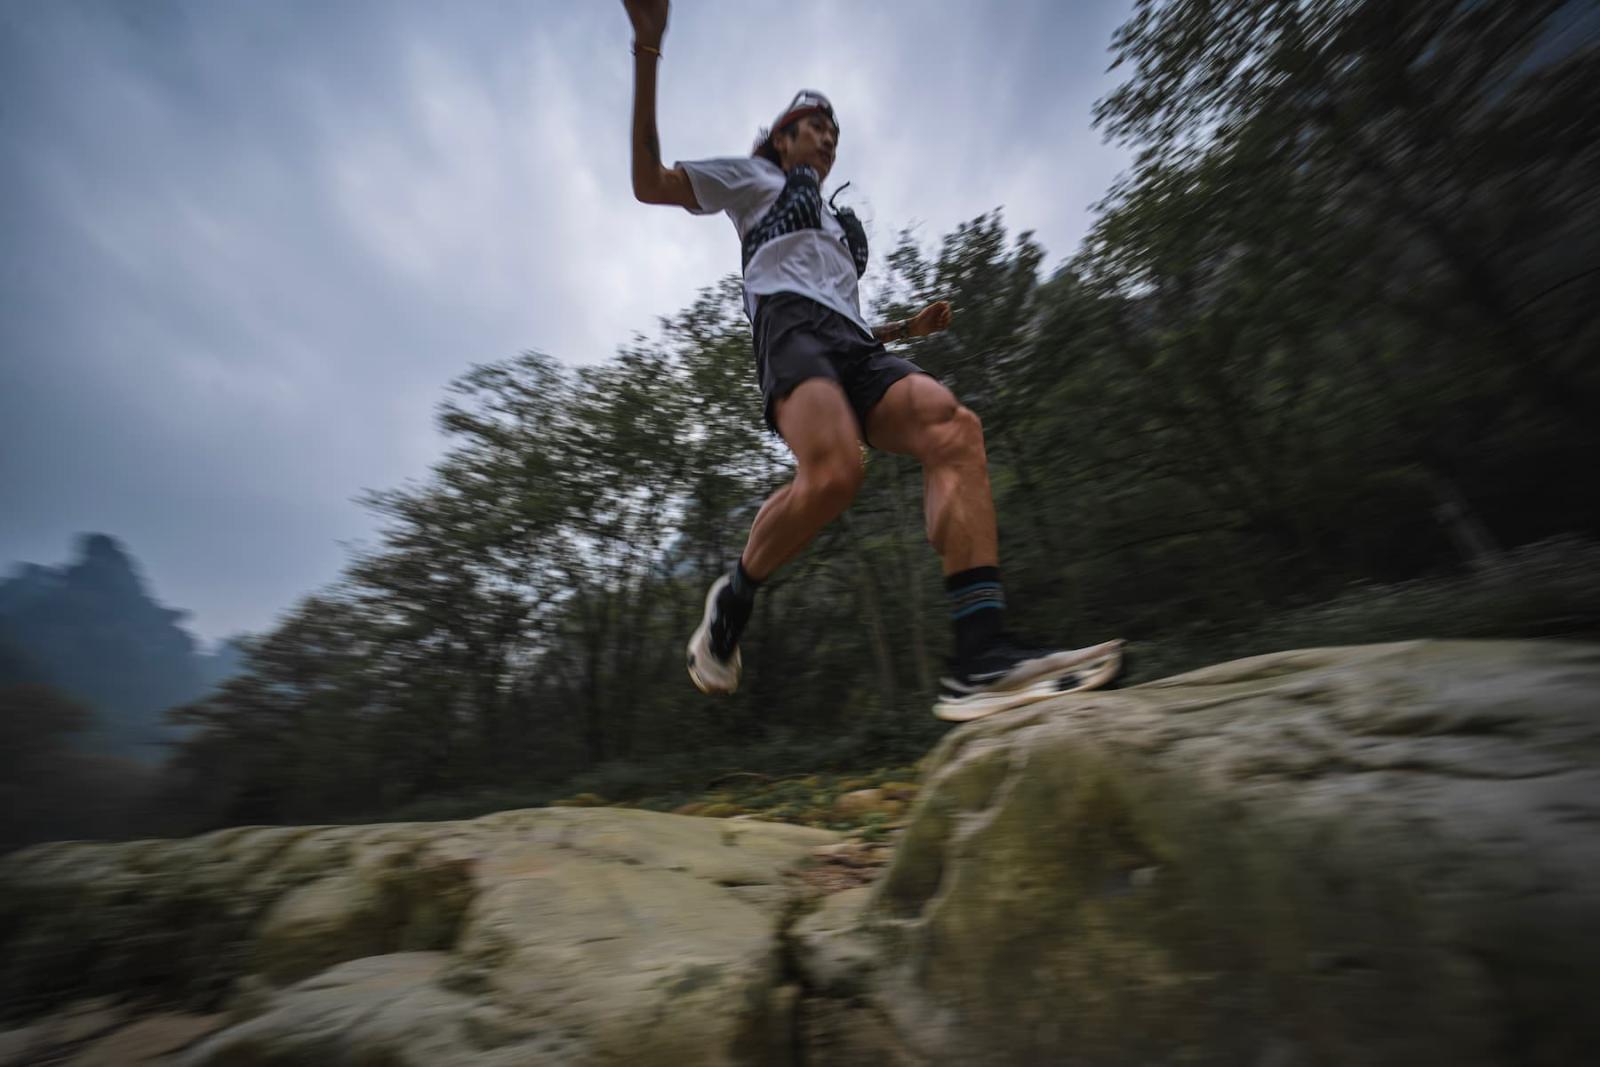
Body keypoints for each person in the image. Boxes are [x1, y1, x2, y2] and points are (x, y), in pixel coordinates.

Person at [622, 0, 1121, 720]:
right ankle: (733, 599)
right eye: (814, 125)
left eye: (834, 131)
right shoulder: (752, 179)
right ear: (782, 136)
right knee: (835, 474)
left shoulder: (835, 223)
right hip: (788, 331)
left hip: (851, 344)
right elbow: (647, 181)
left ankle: (980, 658)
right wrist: (648, 48)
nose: (828, 137)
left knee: (955, 427)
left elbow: (844, 317)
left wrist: (904, 328)